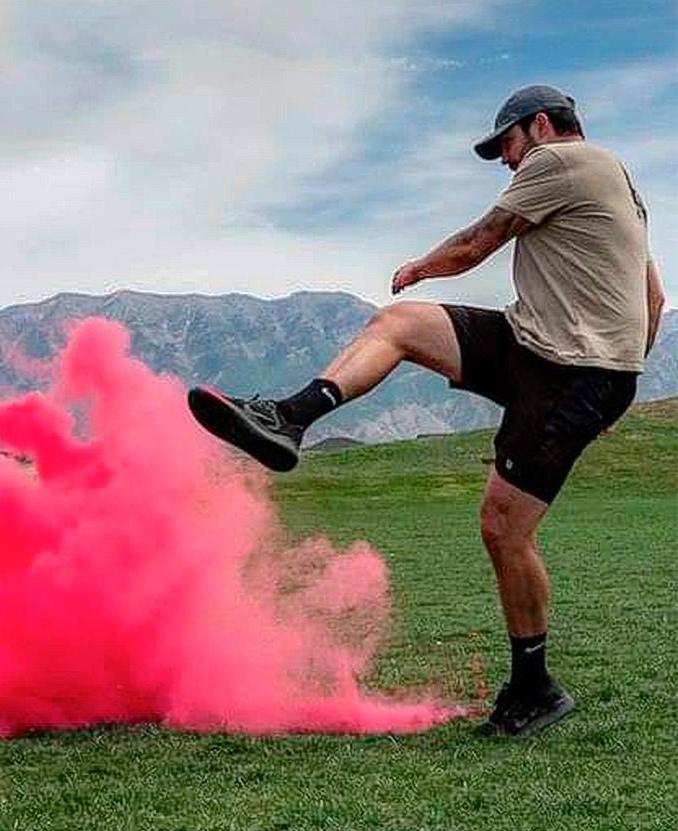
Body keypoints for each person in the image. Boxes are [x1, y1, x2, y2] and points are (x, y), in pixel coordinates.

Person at [188, 85, 667, 737]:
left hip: (571, 372)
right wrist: (626, 374)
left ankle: (535, 689)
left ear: (542, 126)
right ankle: (288, 418)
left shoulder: (558, 162)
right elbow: (656, 296)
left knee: (504, 528)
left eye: (506, 144)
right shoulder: (620, 188)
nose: (505, 160)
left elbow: (479, 242)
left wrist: (420, 266)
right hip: (543, 349)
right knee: (403, 327)